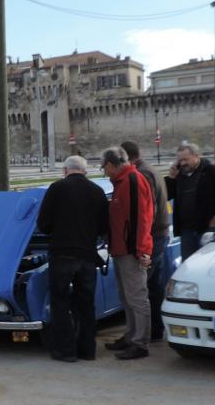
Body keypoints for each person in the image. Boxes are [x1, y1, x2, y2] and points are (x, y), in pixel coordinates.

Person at [37, 156, 109, 362]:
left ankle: (65, 351)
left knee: (60, 303)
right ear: (85, 171)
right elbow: (104, 227)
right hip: (87, 255)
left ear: (65, 170)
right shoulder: (97, 191)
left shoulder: (56, 188)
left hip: (62, 254)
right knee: (86, 304)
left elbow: (44, 224)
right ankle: (88, 350)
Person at [102, 147, 155, 360]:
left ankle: (140, 342)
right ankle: (131, 335)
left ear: (112, 164)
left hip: (131, 251)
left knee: (137, 297)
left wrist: (142, 251)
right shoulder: (123, 182)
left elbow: (142, 218)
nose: (104, 172)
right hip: (122, 249)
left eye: (104, 167)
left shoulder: (132, 181)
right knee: (127, 296)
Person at [122, 141, 172, 342]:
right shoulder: (151, 170)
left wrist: (141, 242)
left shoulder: (141, 174)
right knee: (154, 285)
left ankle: (141, 335)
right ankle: (155, 330)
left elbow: (146, 211)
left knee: (140, 288)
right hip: (159, 233)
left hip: (152, 236)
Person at [164, 143, 215, 260]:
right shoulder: (179, 174)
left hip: (207, 228)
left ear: (196, 156)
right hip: (186, 230)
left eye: (186, 159)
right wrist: (171, 178)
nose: (182, 163)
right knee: (187, 264)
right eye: (180, 160)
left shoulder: (211, 171)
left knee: (207, 262)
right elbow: (166, 195)